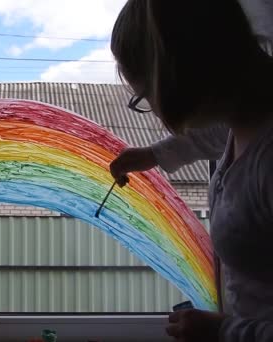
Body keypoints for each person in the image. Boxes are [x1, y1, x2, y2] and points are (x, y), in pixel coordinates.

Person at [110, 0, 273, 341]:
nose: (153, 107)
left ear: (177, 72)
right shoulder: (242, 121)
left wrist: (226, 331)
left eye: (145, 94)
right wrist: (152, 155)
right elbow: (209, 137)